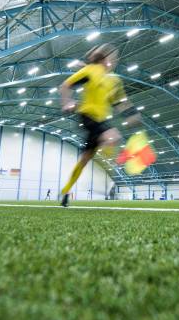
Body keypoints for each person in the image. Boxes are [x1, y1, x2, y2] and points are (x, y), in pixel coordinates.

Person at [59, 44, 141, 207]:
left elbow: (120, 102)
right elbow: (65, 85)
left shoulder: (114, 81)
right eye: (111, 57)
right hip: (88, 115)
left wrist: (131, 114)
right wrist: (67, 102)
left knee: (84, 160)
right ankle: (106, 148)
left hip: (101, 121)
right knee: (113, 136)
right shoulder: (91, 70)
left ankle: (65, 192)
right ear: (104, 59)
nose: (114, 60)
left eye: (115, 58)